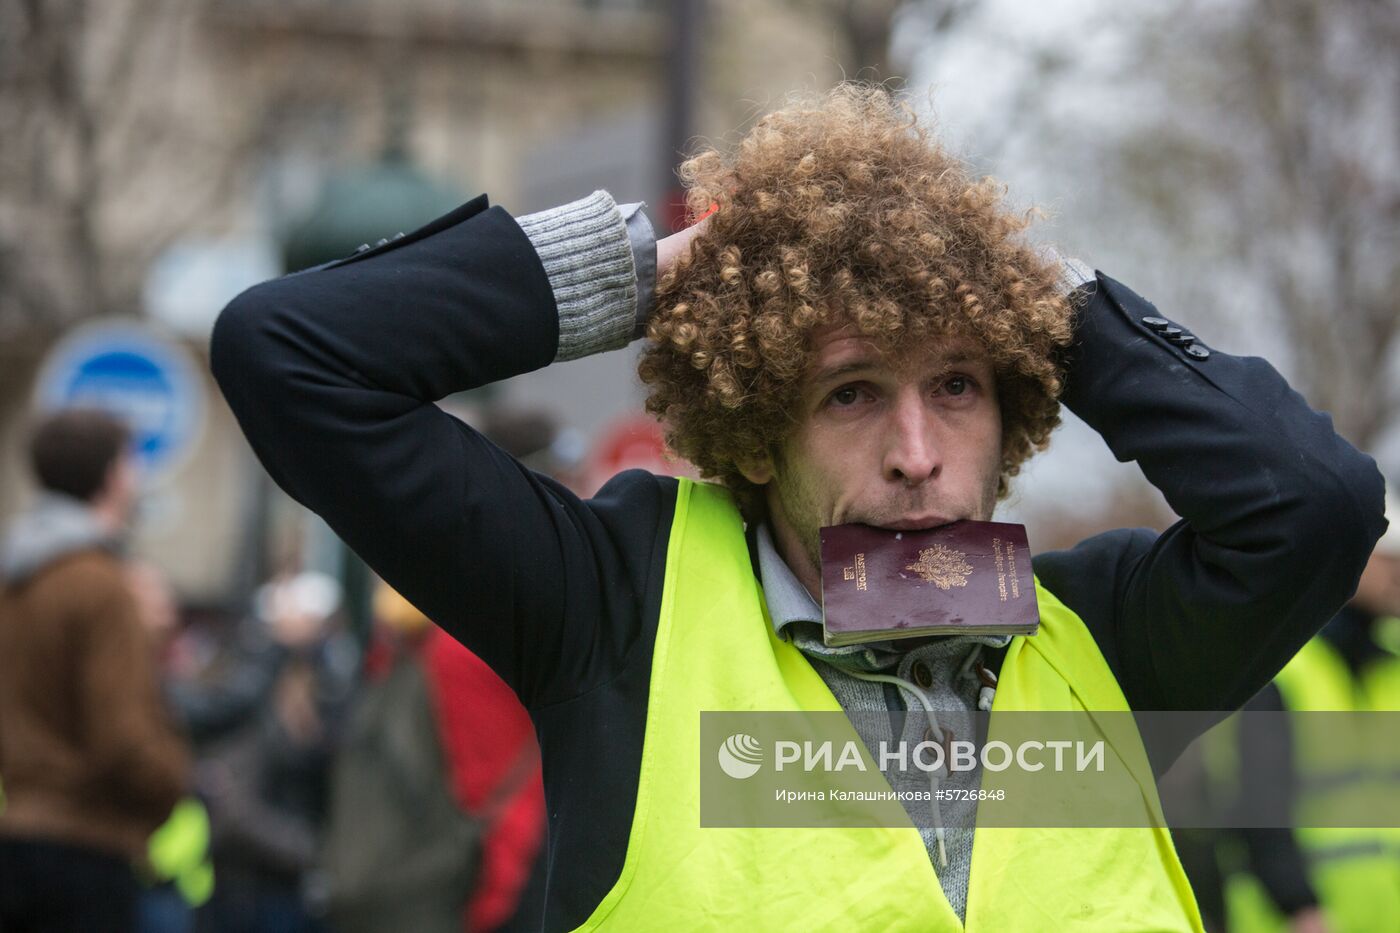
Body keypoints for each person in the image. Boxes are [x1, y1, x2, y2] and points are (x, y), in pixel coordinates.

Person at [210, 86, 1386, 930]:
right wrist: (662, 269)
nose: (917, 454)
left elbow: (1317, 504)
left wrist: (1047, 296)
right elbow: (290, 355)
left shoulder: (1108, 643)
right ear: (758, 426)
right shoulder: (608, 607)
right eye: (851, 391)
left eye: (958, 385)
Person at [0, 409, 190, 933]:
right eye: (131, 463)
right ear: (111, 475)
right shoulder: (102, 584)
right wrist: (174, 779)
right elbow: (122, 736)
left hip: (16, 835)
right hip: (86, 850)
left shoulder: (16, 578)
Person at [1212, 495, 1400, 933]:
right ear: (1346, 553)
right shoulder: (1279, 668)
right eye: (1388, 556)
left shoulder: (1390, 668)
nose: (1397, 570)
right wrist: (1298, 906)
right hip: (1300, 920)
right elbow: (1258, 806)